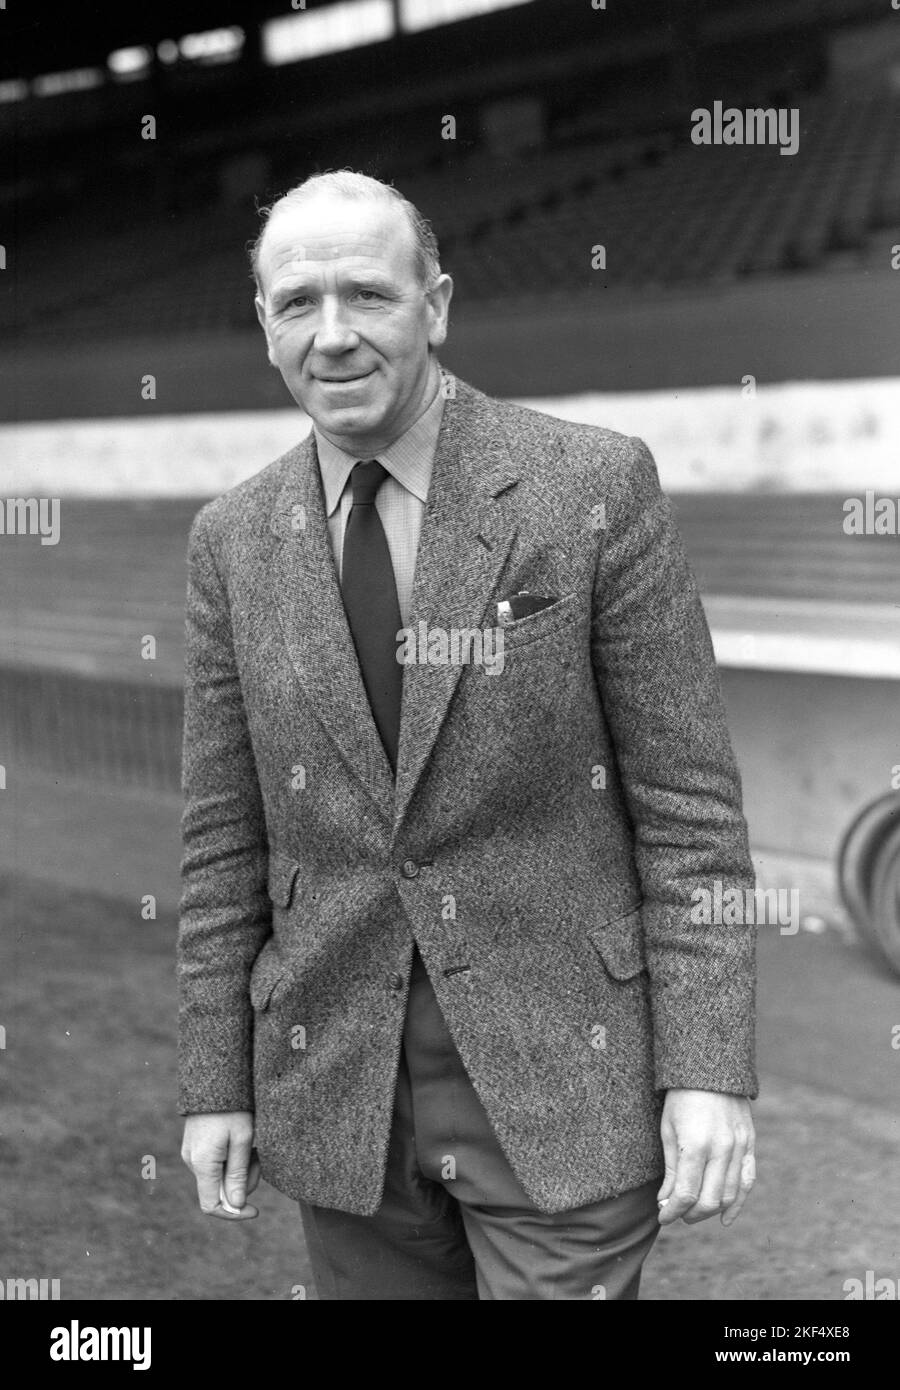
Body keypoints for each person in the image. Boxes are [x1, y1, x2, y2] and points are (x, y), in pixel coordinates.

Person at [178, 169, 757, 1301]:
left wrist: (708, 1068)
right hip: (340, 1093)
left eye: (368, 297)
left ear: (435, 304)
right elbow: (219, 843)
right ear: (263, 324)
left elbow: (690, 811)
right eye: (298, 303)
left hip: (562, 1080)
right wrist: (216, 1082)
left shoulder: (592, 484)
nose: (332, 335)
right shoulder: (230, 540)